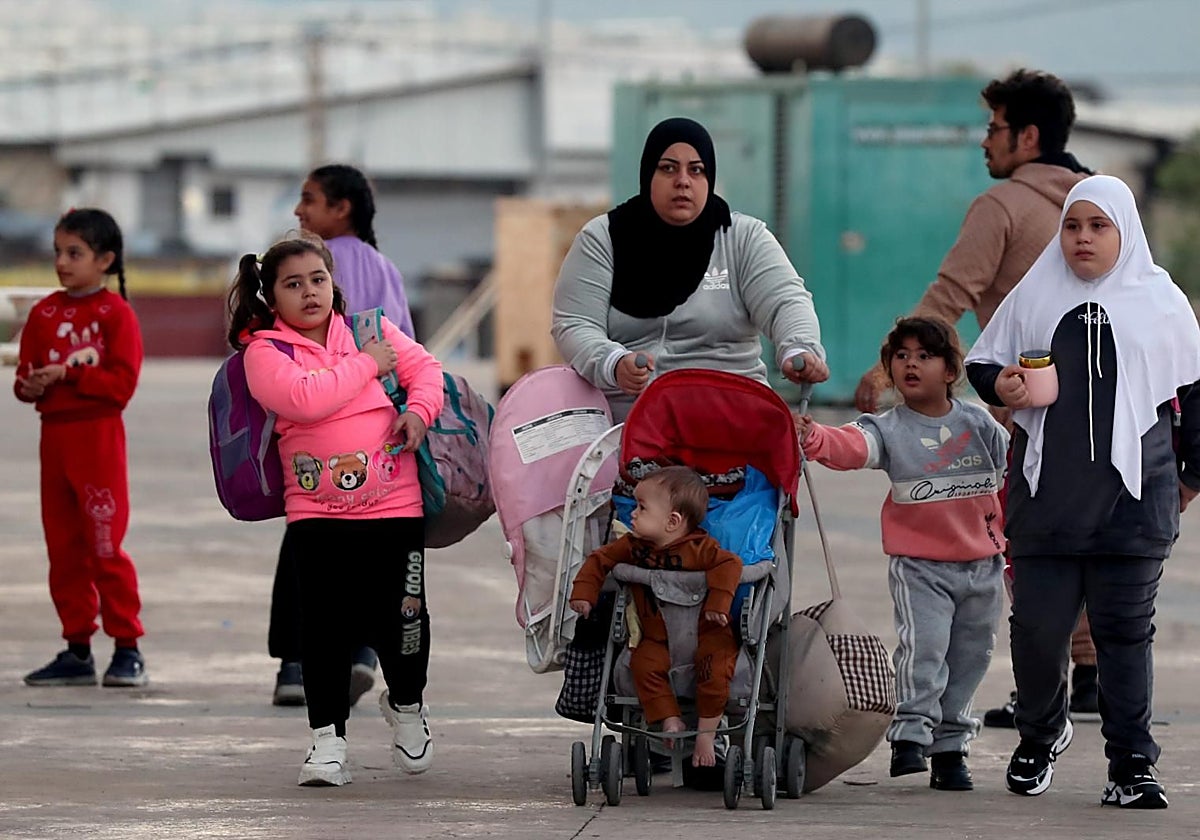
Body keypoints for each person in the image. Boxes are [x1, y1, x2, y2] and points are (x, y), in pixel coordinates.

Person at [851, 68, 1099, 725]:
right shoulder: (1098, 205)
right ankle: (1091, 673)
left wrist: (886, 370)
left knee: (1025, 546)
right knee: (1081, 538)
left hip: (1026, 408)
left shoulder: (1003, 205)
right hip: (1102, 410)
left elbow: (950, 296)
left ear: (1028, 137)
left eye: (994, 128)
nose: (984, 141)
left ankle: (1045, 689)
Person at [965, 175, 1200, 808]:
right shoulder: (1035, 294)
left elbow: (1196, 393)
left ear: (1126, 233)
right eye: (1072, 226)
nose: (1082, 238)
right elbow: (982, 361)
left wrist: (1190, 478)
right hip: (1046, 498)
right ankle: (1040, 735)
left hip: (1135, 501)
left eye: (1098, 226)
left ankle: (1131, 764)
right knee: (1037, 631)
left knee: (1124, 634)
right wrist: (1002, 385)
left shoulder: (1162, 302)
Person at [226, 232, 444, 786]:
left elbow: (426, 371)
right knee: (323, 628)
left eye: (318, 279)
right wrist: (368, 366)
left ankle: (409, 706)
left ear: (333, 282)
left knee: (405, 618)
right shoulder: (265, 351)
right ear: (272, 296)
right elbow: (305, 399)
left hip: (395, 507)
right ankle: (327, 740)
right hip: (316, 514)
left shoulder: (369, 330)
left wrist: (419, 411)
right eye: (293, 284)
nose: (309, 292)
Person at [796, 317, 1008, 792]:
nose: (911, 364)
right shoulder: (889, 428)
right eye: (902, 356)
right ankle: (910, 735)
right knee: (925, 647)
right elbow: (852, 446)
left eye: (925, 356)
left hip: (983, 567)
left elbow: (1015, 474)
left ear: (950, 370)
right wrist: (814, 437)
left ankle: (950, 748)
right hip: (921, 569)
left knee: (971, 657)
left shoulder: (980, 424)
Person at [551, 116, 828, 424]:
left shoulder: (742, 239)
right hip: (631, 425)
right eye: (668, 168)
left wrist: (798, 348)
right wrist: (613, 364)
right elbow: (575, 323)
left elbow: (786, 302)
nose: (683, 181)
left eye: (696, 170)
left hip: (733, 419)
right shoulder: (603, 239)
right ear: (648, 174)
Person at [270, 163, 417, 707]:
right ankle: (363, 654)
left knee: (309, 552)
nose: (299, 210)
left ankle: (295, 663)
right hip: (377, 441)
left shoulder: (306, 264)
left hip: (315, 437)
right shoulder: (384, 267)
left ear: (341, 209)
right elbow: (405, 352)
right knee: (374, 557)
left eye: (309, 199)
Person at [14, 208, 148, 689]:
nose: (62, 262)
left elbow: (121, 385)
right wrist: (29, 386)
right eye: (58, 252)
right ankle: (76, 649)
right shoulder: (43, 313)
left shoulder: (117, 314)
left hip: (98, 439)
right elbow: (23, 378)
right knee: (64, 549)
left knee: (104, 545)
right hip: (54, 440)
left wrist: (70, 375)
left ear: (105, 260)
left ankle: (128, 648)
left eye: (75, 253)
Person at [568, 466, 742, 767]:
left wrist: (718, 602)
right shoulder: (634, 547)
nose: (632, 514)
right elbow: (600, 559)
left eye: (642, 508)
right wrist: (584, 593)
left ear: (672, 521)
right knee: (643, 664)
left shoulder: (700, 549)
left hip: (707, 632)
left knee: (716, 670)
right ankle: (668, 718)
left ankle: (706, 734)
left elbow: (730, 565)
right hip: (657, 636)